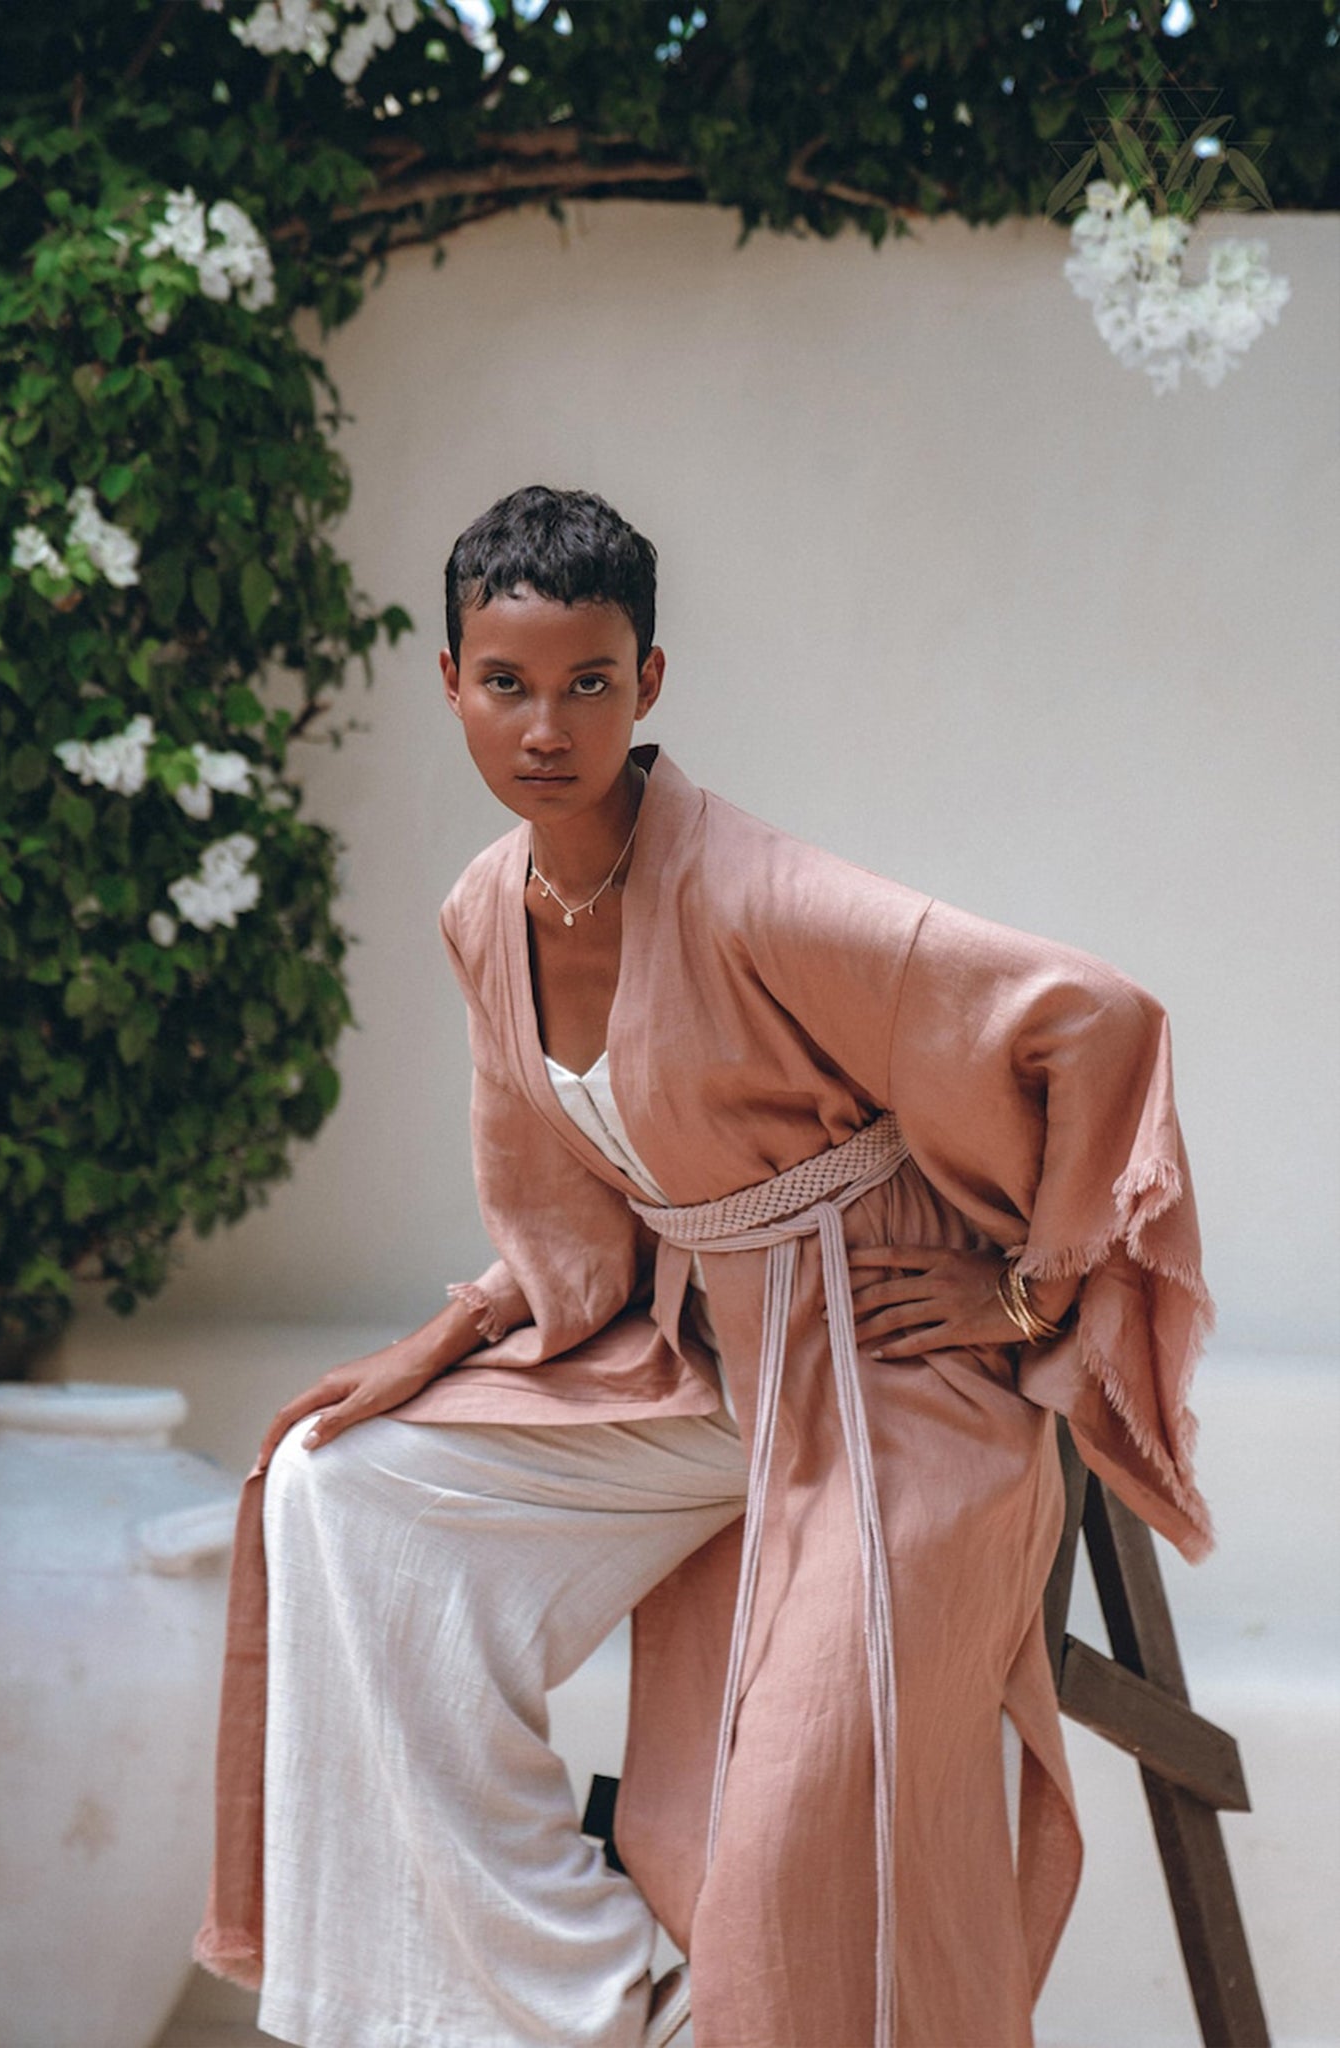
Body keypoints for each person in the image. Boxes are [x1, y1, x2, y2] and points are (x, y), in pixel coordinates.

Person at [196, 486, 1214, 2048]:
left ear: (647, 685)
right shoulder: (486, 910)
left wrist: (1028, 1291)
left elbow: (1100, 1016)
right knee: (340, 1490)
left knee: (803, 1795)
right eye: (507, 683)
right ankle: (574, 2001)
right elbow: (564, 1221)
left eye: (588, 683)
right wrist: (453, 1337)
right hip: (695, 1362)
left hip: (897, 1390)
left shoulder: (752, 891)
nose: (546, 726)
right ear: (449, 679)